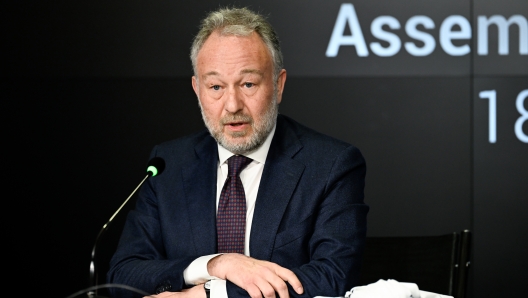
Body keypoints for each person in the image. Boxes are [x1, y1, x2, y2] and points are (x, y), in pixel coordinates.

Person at [107, 6, 368, 298]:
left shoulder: (331, 164)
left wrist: (210, 294)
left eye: (248, 84)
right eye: (216, 86)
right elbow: (123, 273)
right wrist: (216, 265)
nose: (232, 105)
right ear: (197, 89)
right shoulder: (168, 164)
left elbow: (333, 277)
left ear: (278, 85)